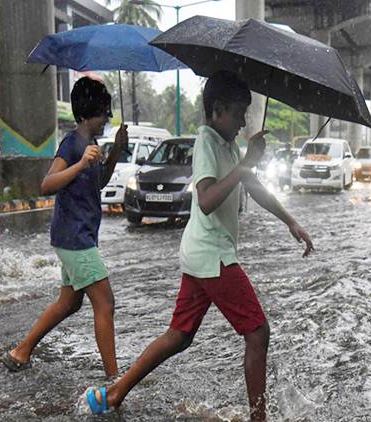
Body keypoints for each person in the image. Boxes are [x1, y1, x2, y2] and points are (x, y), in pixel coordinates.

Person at [83, 71, 314, 421]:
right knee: (258, 332)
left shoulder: (228, 145)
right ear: (217, 109)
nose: (242, 123)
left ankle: (115, 392)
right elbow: (206, 198)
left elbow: (253, 187)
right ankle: (259, 418)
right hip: (212, 254)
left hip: (202, 253)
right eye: (238, 114)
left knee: (179, 335)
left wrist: (290, 221)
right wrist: (246, 162)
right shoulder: (206, 140)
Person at [2, 77, 128, 377]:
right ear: (88, 113)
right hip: (74, 238)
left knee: (70, 302)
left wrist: (115, 153)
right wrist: (81, 163)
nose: (107, 120)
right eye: (104, 114)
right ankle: (115, 379)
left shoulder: (92, 144)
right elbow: (47, 185)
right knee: (105, 303)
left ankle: (20, 351)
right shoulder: (73, 144)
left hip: (78, 235)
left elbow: (98, 184)